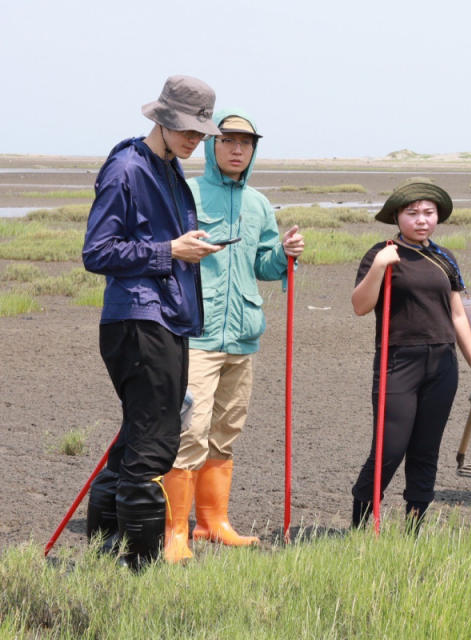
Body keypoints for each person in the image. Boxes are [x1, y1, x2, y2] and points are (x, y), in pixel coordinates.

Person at [82, 75, 222, 570]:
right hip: (139, 320)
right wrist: (170, 250)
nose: (194, 140)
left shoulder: (166, 168)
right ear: (160, 118)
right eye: (186, 129)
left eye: (200, 133)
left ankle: (105, 555)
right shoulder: (127, 168)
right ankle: (137, 568)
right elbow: (96, 252)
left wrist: (186, 243)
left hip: (163, 317)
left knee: (137, 438)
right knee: (153, 447)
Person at [162, 109, 305, 563]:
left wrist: (283, 255)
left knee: (225, 433)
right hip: (196, 333)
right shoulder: (186, 191)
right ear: (211, 144)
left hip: (242, 334)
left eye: (246, 142)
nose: (237, 149)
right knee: (190, 431)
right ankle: (175, 533)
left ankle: (212, 524)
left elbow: (263, 266)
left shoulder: (260, 205)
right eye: (228, 140)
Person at [350, 181, 471, 531]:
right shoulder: (381, 253)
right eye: (412, 213)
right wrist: (380, 267)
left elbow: (458, 315)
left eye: (428, 213)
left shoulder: (445, 258)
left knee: (426, 450)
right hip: (398, 361)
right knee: (389, 449)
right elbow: (360, 305)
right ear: (397, 217)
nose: (421, 220)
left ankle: (414, 529)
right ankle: (359, 525)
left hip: (442, 364)